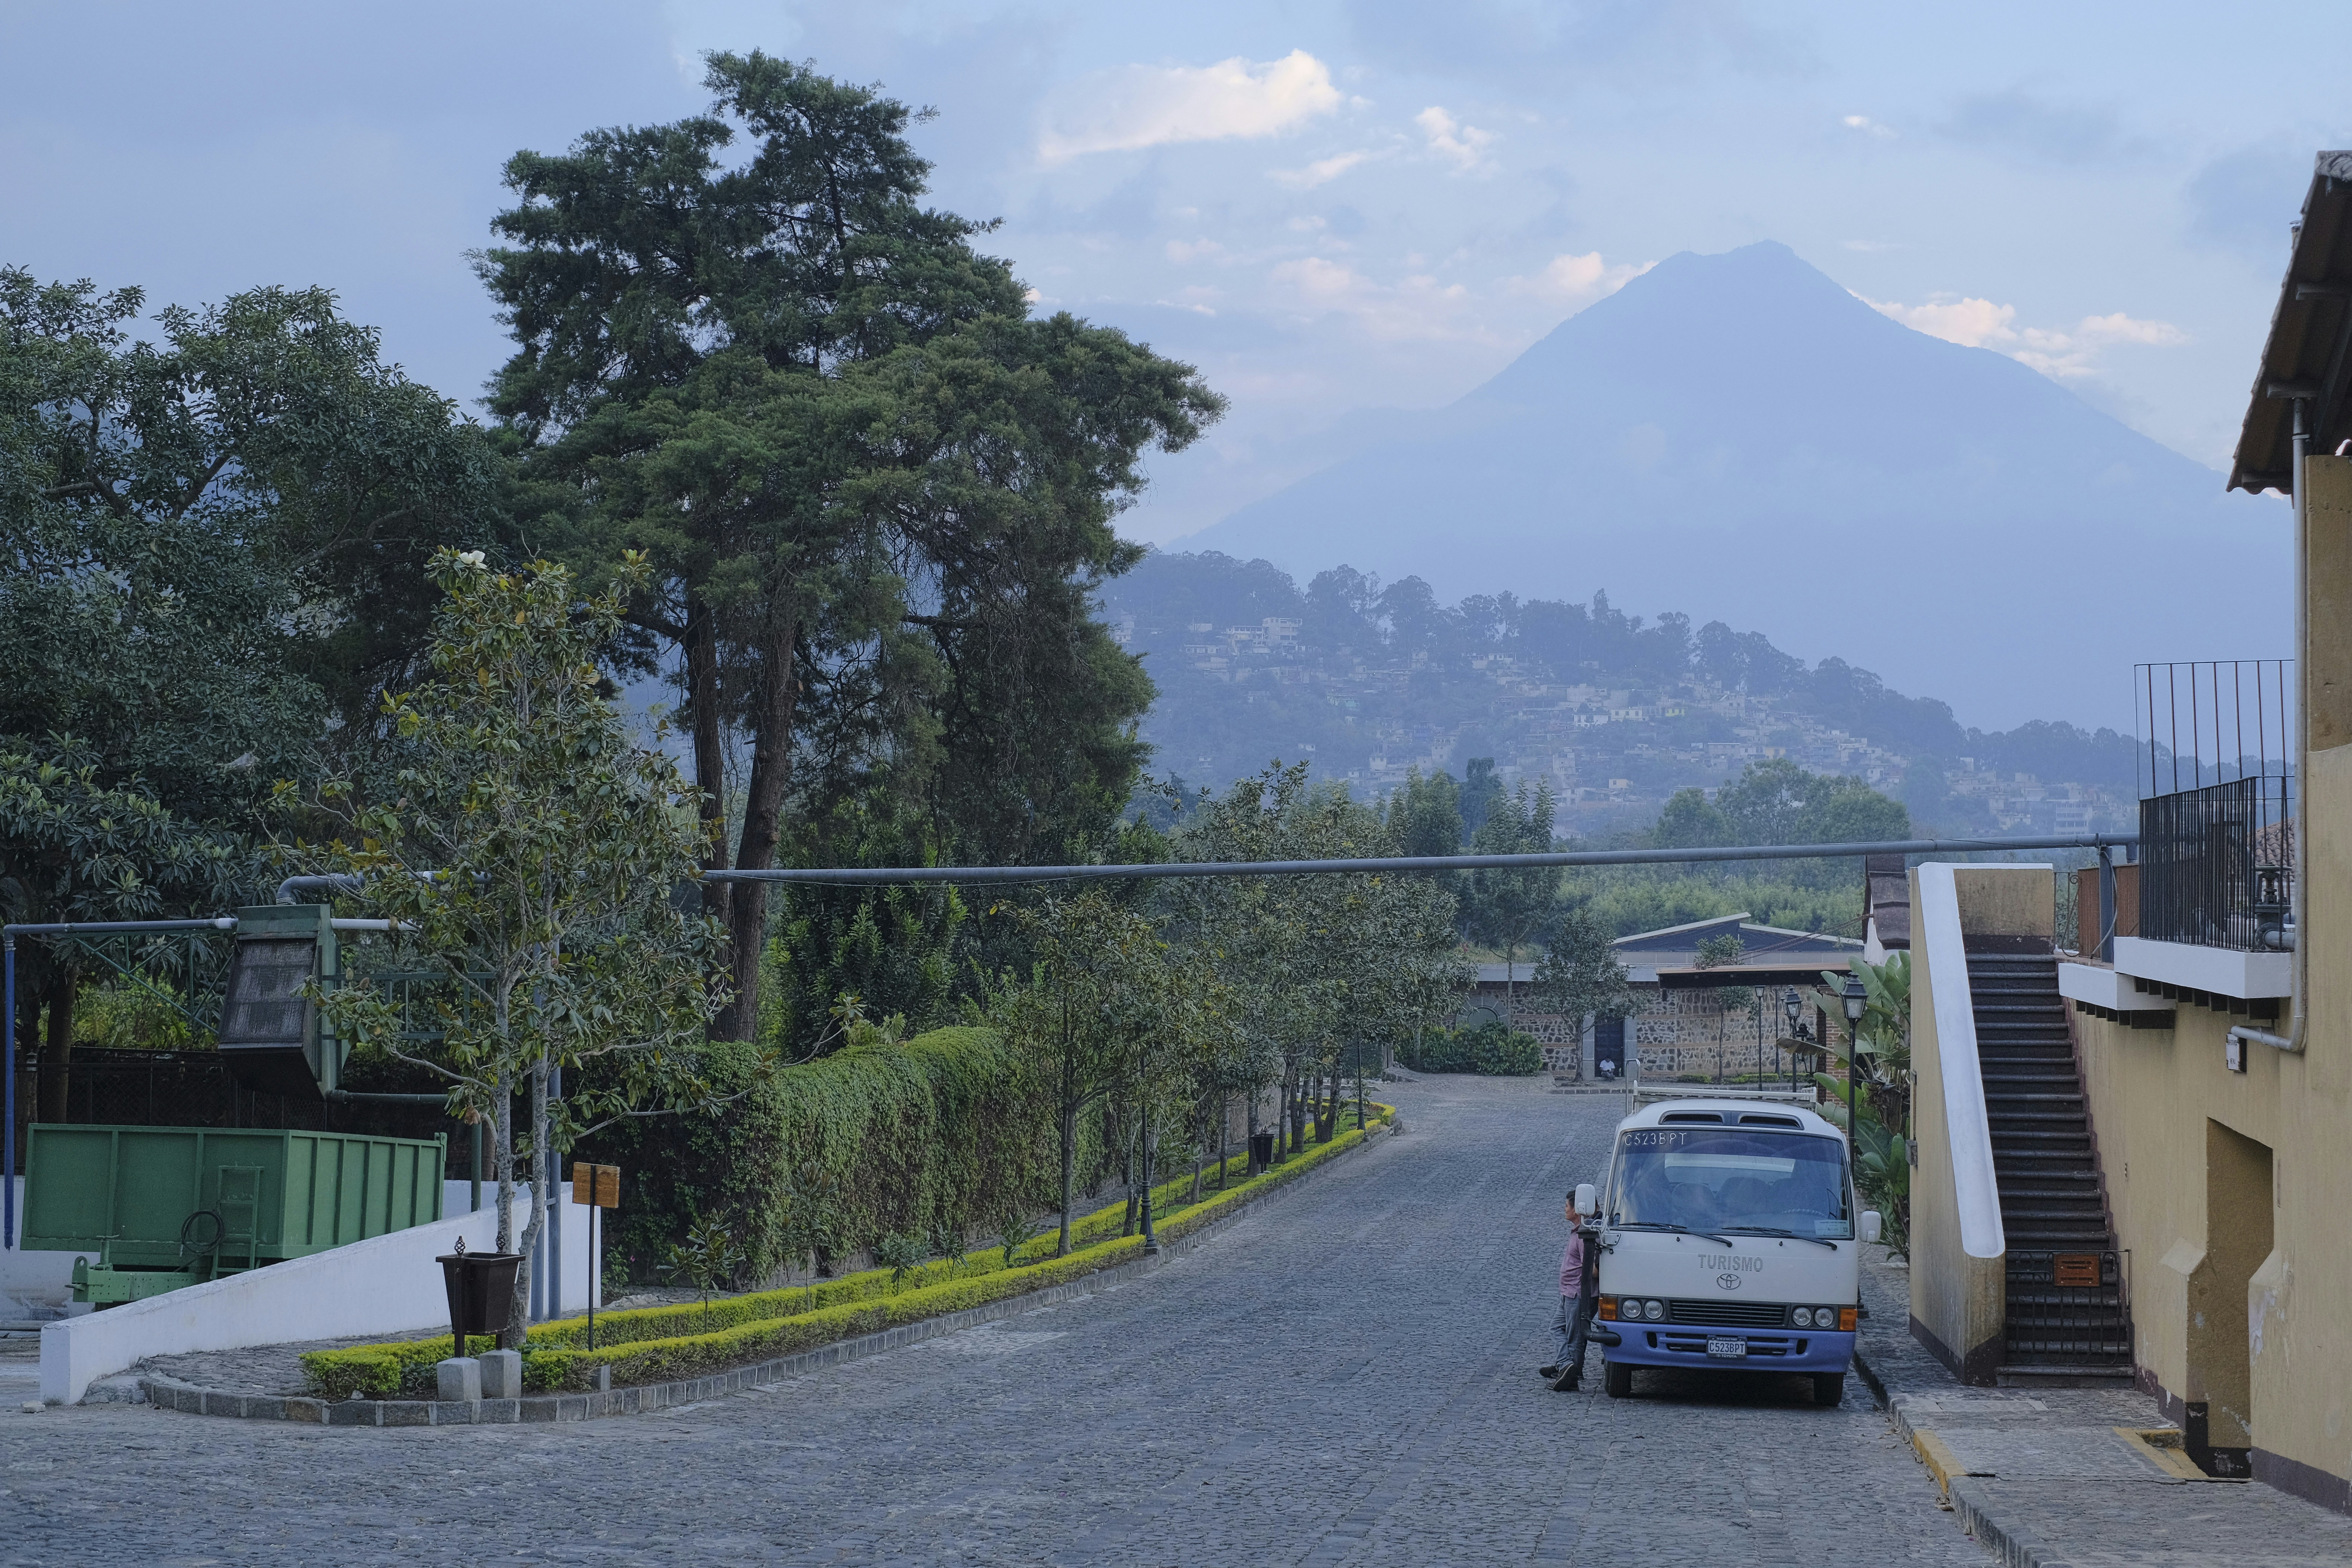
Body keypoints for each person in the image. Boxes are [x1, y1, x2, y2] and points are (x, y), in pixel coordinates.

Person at [1539, 1196, 1596, 1390]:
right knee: (1556, 1328)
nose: (1565, 1209)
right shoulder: (1576, 1232)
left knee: (1575, 1338)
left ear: (1577, 1210)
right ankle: (1565, 1365)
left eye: (1567, 1206)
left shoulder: (1583, 1235)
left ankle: (1570, 1376)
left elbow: (1594, 1269)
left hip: (1577, 1293)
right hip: (1568, 1293)